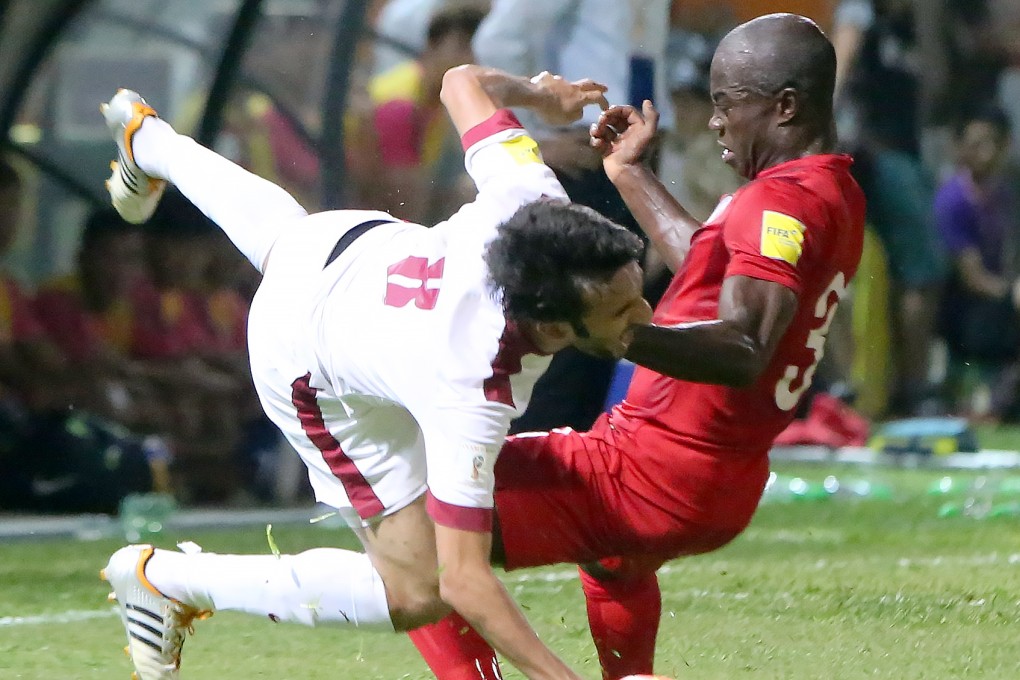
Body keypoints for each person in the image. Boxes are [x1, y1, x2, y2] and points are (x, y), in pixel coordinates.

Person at [98, 63, 651, 680]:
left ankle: (151, 143)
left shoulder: (533, 198)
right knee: (415, 590)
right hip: (302, 355)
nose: (645, 313)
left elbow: (461, 81)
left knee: (284, 237)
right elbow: (463, 579)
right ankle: (165, 580)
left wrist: (539, 97)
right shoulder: (474, 386)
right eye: (623, 311)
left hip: (347, 244)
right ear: (551, 329)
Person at [407, 13, 866, 680]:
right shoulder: (831, 189)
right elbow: (712, 269)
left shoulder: (781, 204)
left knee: (418, 530)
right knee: (611, 558)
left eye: (725, 104)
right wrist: (630, 175)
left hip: (654, 469)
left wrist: (616, 333)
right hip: (715, 476)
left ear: (785, 106)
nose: (714, 124)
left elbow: (744, 347)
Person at [473, 0, 675, 433]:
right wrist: (534, 134)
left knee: (605, 337)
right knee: (566, 336)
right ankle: (529, 472)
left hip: (625, 155)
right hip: (578, 160)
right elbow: (498, 40)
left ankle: (572, 472)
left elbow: (642, 55)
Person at [935, 106, 1020, 418]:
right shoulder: (953, 200)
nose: (986, 152)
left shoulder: (1007, 194)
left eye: (992, 143)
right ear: (960, 148)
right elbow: (973, 277)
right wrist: (1012, 293)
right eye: (976, 144)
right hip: (967, 308)